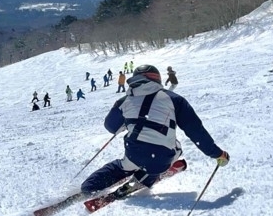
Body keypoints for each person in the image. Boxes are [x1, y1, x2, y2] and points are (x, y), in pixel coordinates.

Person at [81, 65, 229, 195]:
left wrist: (130, 121)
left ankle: (89, 187)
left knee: (122, 165)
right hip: (161, 156)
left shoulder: (124, 101)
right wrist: (217, 154)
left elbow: (111, 126)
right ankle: (147, 176)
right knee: (176, 149)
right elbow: (196, 131)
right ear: (157, 79)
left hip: (133, 153)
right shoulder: (174, 99)